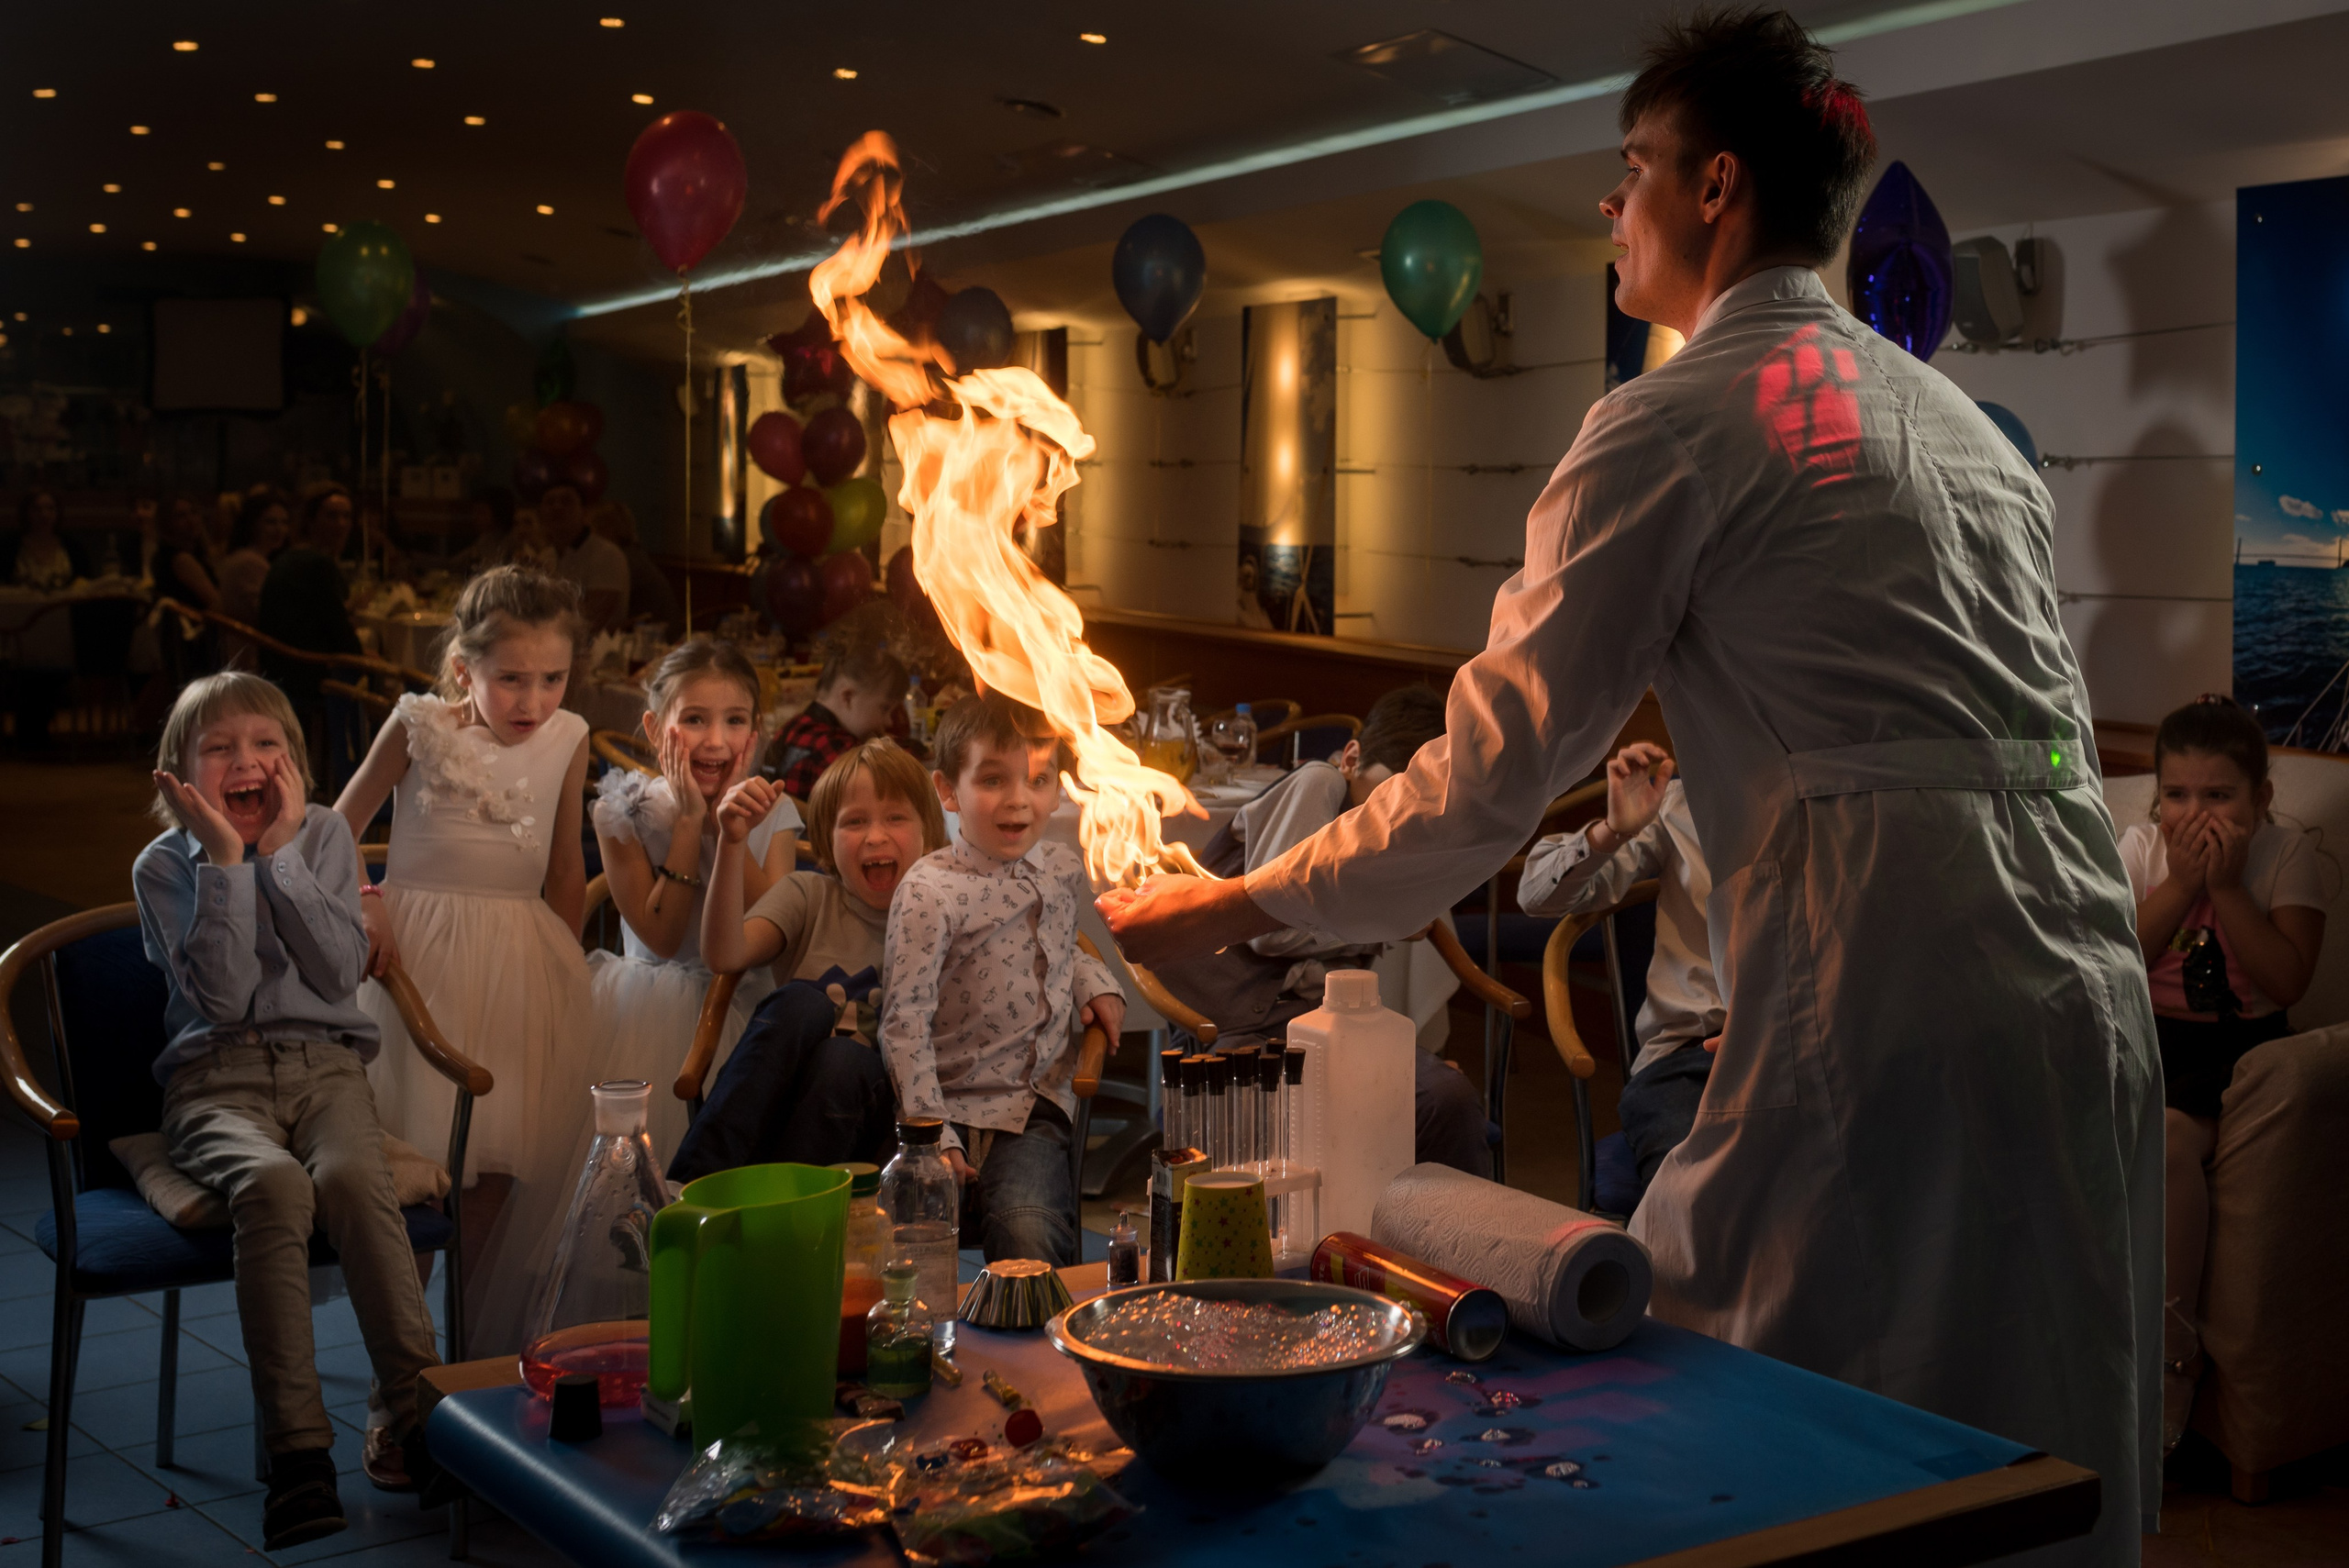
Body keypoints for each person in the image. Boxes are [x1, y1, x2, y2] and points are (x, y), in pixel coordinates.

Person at [1102, 14, 2162, 1564]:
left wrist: (1249, 898)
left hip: (1895, 974)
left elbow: (1488, 774)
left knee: (1798, 1421)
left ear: (1713, 186)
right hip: (2082, 971)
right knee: (2039, 1414)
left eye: (1629, 172)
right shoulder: (1961, 430)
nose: (1612, 208)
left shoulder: (1668, 422)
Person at [135, 673, 440, 1550]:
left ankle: (420, 1418)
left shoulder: (328, 835)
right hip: (212, 1082)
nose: (247, 760)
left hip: (325, 1070)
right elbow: (224, 1001)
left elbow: (341, 969)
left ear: (296, 765)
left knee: (351, 1176)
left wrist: (278, 857)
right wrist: (227, 864)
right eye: (220, 747)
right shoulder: (163, 866)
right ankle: (299, 1455)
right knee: (271, 1187)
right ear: (179, 775)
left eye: (266, 743)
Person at [332, 565, 599, 1357]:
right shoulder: (417, 726)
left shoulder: (571, 736)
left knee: (495, 1171)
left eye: (552, 678)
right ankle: (401, 1370)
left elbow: (562, 866)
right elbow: (335, 827)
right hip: (418, 966)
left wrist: (567, 971)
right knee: (412, 1172)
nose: (533, 700)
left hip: (519, 967)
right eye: (510, 679)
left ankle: (475, 1353)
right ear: (463, 669)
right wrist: (368, 900)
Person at [1152, 686, 1489, 1175]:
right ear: (1351, 758)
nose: (1393, 820)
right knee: (1264, 1125)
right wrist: (1381, 925)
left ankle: (1435, 1245)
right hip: (1248, 1026)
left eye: (1414, 807)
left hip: (1333, 1025)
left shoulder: (1400, 831)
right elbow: (1269, 928)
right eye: (1386, 796)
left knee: (1447, 1099)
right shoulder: (1320, 783)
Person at [2117, 695, 2327, 1453]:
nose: (2194, 812)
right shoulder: (2141, 850)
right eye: (2176, 795)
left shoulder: (2286, 851)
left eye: (2219, 795)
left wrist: (2228, 889)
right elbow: (2116, 958)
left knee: (2173, 1136)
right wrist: (2179, 884)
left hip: (2243, 1049)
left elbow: (2290, 976)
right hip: (2151, 1039)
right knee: (2138, 1129)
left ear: (2260, 798)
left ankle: (2175, 1369)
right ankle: (2121, 1360)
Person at [881, 694, 1125, 1264]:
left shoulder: (1061, 868)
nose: (1019, 800)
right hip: (942, 1109)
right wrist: (930, 1134)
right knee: (910, 1265)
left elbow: (1062, 946)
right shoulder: (928, 891)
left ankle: (1045, 1353)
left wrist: (1093, 979)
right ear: (948, 790)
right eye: (993, 780)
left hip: (1032, 1109)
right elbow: (903, 1022)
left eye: (1038, 779)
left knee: (1029, 1238)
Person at [674, 737, 948, 1181]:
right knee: (801, 1004)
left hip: (885, 1131)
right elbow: (725, 954)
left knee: (845, 1060)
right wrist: (731, 842)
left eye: (896, 818)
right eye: (854, 821)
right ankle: (694, 1180)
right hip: (778, 1114)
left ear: (929, 832)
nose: (876, 835)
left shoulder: (945, 913)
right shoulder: (811, 895)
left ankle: (785, 1209)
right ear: (827, 839)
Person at [586, 639, 801, 1157]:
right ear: (657, 729)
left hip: (747, 1009)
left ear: (754, 733)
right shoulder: (623, 812)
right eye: (696, 720)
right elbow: (659, 938)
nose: (716, 741)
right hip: (646, 1015)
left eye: (734, 721)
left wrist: (724, 830)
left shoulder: (773, 811)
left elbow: (776, 929)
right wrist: (689, 821)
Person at [1520, 742, 1722, 1206]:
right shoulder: (1680, 805)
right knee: (1699, 1203)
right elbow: (1536, 896)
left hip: (1804, 1048)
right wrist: (1611, 830)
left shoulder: (1841, 804)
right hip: (1688, 1063)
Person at [257, 484, 362, 706]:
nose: (341, 524)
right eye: (331, 516)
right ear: (310, 520)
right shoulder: (316, 564)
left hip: (277, 668)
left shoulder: (293, 557)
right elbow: (343, 637)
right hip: (306, 675)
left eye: (346, 516)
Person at [768, 635, 907, 797]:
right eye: (884, 709)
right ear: (847, 697)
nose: (888, 721)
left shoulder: (794, 726)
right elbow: (899, 776)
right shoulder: (836, 747)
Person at [542, 483, 629, 631]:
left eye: (566, 501)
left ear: (585, 512)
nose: (557, 507)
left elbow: (592, 618)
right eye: (549, 502)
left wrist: (548, 577)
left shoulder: (606, 554)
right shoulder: (546, 555)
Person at [592, 498, 682, 636]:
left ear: (607, 528)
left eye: (593, 527)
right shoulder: (634, 554)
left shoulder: (619, 558)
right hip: (660, 629)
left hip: (655, 636)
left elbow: (603, 613)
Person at [217, 487, 293, 629]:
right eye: (270, 522)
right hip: (250, 646)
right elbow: (270, 617)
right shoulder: (249, 562)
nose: (280, 529)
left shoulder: (249, 558)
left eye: (284, 522)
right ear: (253, 523)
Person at [6, 489, 81, 589]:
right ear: (26, 512)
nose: (44, 515)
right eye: (37, 509)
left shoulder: (73, 547)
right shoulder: (9, 546)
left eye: (50, 509)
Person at [451, 488, 518, 574]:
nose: (475, 517)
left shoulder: (510, 541)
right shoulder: (484, 539)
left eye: (481, 512)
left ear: (498, 514)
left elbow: (491, 571)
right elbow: (454, 563)